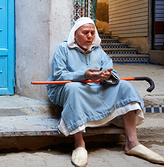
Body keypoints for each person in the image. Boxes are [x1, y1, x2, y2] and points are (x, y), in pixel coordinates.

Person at [46, 17, 164, 167]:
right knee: (73, 88)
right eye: (85, 32)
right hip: (68, 89)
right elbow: (59, 75)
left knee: (125, 86)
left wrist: (107, 75)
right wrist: (85, 75)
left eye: (92, 32)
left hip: (95, 87)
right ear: (75, 34)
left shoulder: (98, 49)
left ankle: (132, 143)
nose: (89, 36)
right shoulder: (63, 49)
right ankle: (79, 144)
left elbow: (109, 69)